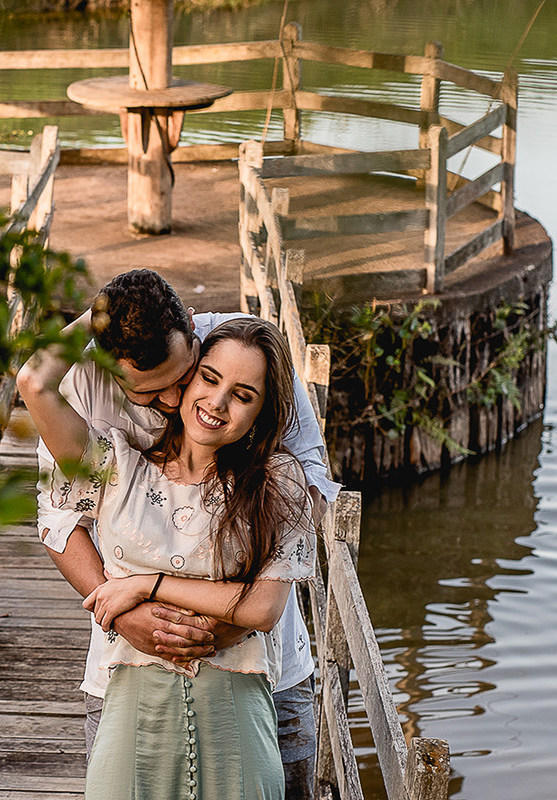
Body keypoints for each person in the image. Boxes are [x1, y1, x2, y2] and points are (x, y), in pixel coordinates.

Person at [31, 270, 339, 799]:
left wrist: (182, 604)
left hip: (264, 679)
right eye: (153, 391)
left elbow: (305, 505)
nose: (179, 401)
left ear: (194, 333)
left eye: (187, 376)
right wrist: (125, 614)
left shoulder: (245, 365)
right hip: (127, 674)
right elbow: (58, 519)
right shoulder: (108, 445)